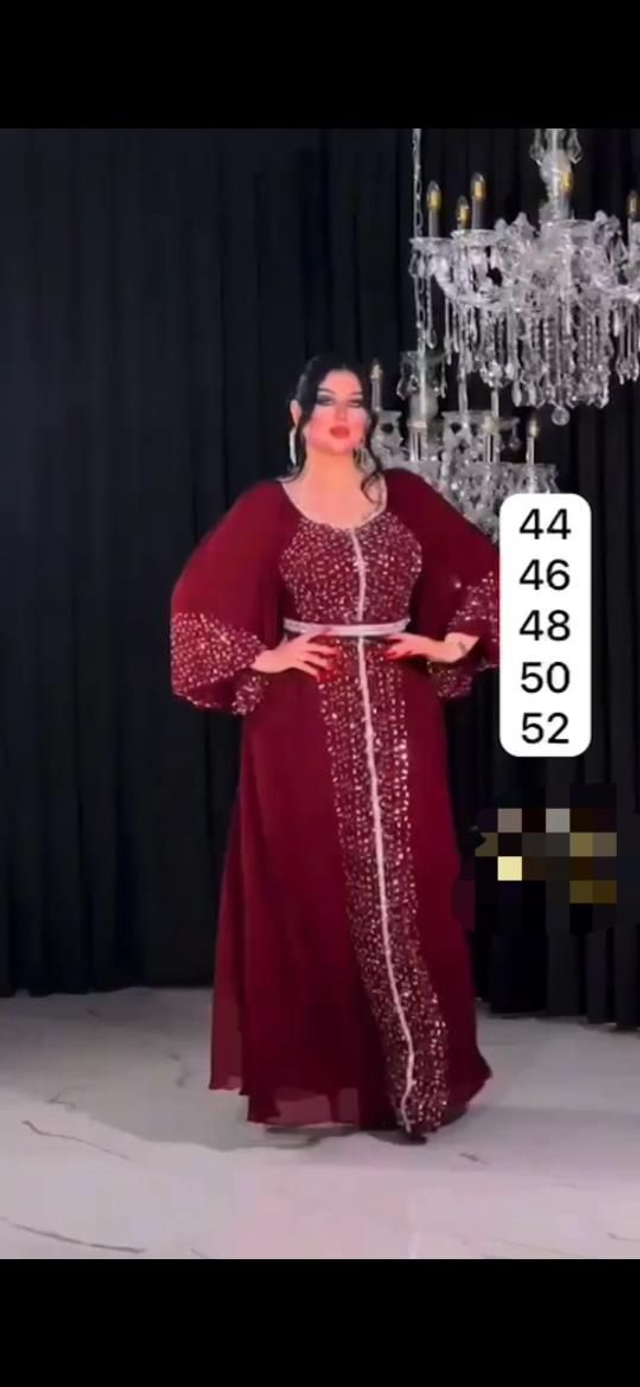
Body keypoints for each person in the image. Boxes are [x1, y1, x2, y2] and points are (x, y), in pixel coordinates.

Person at [171, 354, 499, 1140]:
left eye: (356, 401)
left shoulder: (405, 497)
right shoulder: (268, 508)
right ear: (298, 416)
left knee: (415, 882)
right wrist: (265, 656)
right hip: (300, 721)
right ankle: (332, 1079)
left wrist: (451, 642)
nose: (344, 415)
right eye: (327, 400)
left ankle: (419, 1082)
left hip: (402, 708)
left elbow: (491, 574)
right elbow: (194, 609)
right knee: (314, 883)